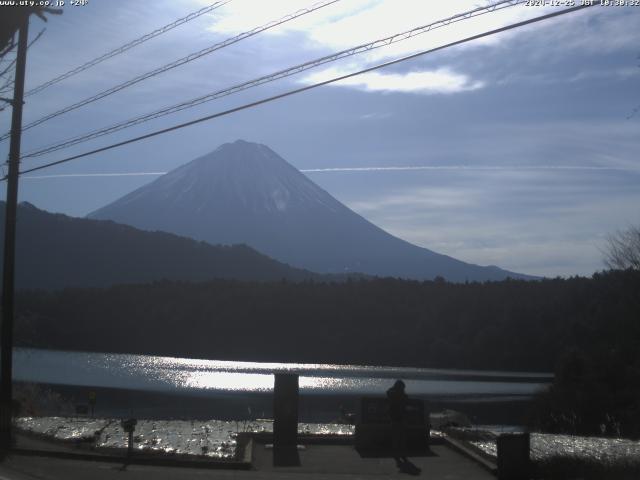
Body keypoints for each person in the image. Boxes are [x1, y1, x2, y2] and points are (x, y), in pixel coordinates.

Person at [387, 379, 408, 464]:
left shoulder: (392, 393)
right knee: (401, 437)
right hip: (400, 417)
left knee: (396, 437)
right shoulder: (401, 395)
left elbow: (388, 392)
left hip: (394, 417)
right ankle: (401, 453)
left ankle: (396, 453)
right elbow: (406, 398)